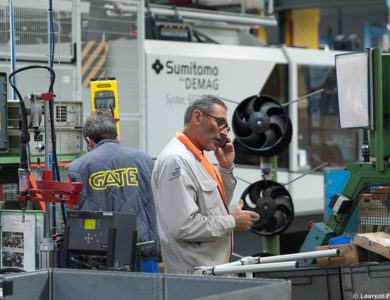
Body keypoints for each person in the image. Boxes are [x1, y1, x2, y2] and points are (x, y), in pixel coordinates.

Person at [152, 95, 260, 274]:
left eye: (226, 127)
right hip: (194, 278)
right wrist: (232, 221)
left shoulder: (197, 158)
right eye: (220, 123)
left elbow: (214, 206)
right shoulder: (176, 160)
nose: (224, 133)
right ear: (197, 117)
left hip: (211, 273)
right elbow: (184, 226)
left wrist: (225, 168)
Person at [67, 111, 160, 272]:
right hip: (144, 257)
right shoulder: (145, 161)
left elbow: (71, 214)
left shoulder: (78, 168)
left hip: (100, 264)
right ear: (116, 136)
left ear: (89, 141)